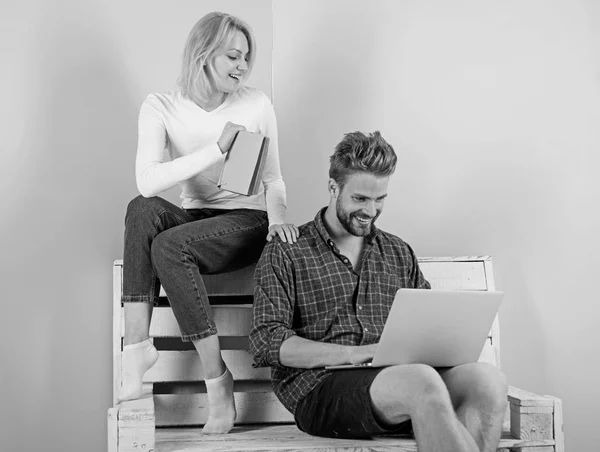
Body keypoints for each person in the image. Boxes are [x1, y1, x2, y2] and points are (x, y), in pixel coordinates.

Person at [250, 131, 507, 451]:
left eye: (380, 199)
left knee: (488, 381)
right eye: (360, 199)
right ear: (333, 187)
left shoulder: (398, 252)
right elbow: (266, 342)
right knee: (421, 382)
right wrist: (355, 354)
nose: (371, 210)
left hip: (402, 384)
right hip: (319, 390)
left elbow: (427, 322)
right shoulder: (288, 251)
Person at [120, 12, 298, 435]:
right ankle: (137, 349)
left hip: (246, 221)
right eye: (233, 56)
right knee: (140, 209)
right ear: (204, 54)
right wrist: (217, 148)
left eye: (246, 59)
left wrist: (278, 221)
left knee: (168, 246)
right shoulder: (161, 106)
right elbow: (148, 182)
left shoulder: (256, 104)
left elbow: (273, 179)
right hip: (193, 220)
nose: (242, 66)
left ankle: (218, 381)